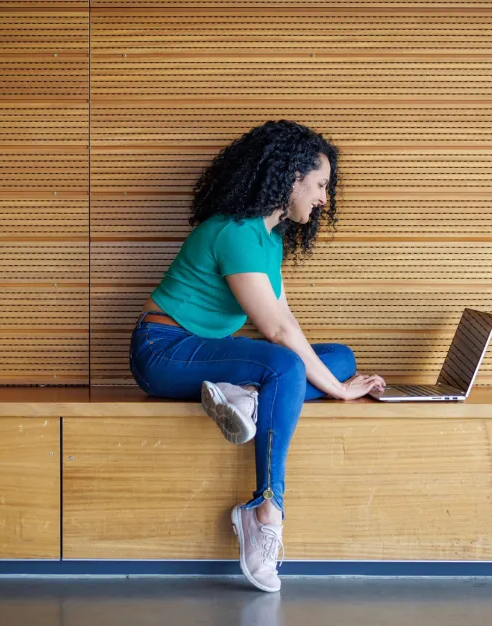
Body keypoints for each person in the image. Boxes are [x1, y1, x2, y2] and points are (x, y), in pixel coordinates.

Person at [128, 120, 386, 592]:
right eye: (321, 185)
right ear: (292, 178)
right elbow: (276, 330)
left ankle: (246, 397)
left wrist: (337, 378)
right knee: (291, 365)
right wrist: (338, 392)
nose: (325, 198)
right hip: (162, 351)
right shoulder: (235, 231)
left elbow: (286, 319)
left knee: (340, 357)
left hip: (210, 355)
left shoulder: (270, 238)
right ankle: (264, 509)